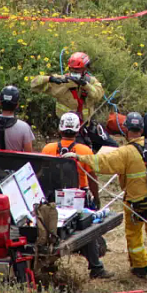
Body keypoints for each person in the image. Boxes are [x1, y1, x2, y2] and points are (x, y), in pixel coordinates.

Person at [63, 112, 147, 279]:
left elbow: (101, 162)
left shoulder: (124, 152)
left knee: (134, 234)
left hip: (135, 204)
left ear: (126, 130)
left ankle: (139, 267)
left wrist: (78, 157)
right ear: (142, 129)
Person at [42, 112, 112, 279]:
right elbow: (92, 177)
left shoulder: (48, 149)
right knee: (87, 229)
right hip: (79, 197)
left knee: (49, 230)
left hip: (53, 197)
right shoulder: (84, 150)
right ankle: (96, 267)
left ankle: (48, 264)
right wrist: (96, 197)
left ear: (60, 129)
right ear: (77, 130)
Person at [31, 51, 116, 151]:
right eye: (72, 69)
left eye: (78, 70)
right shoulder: (61, 81)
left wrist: (85, 85)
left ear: (85, 69)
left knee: (113, 147)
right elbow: (34, 85)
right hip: (69, 129)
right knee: (82, 151)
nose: (75, 72)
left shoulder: (91, 82)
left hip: (87, 125)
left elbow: (97, 95)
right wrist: (50, 78)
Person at [0, 85, 34, 152]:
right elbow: (29, 155)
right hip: (14, 162)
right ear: (17, 105)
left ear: (0, 103)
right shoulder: (24, 128)